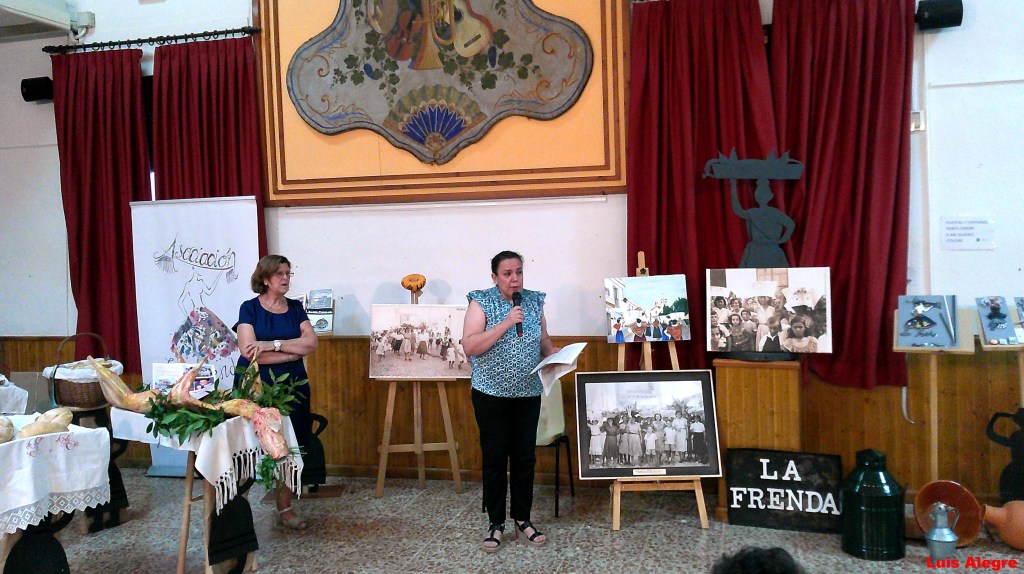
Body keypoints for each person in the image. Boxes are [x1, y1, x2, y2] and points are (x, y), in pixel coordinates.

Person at [463, 250, 559, 552]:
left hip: (527, 394)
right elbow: (470, 346)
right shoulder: (481, 302)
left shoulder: (533, 301)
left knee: (524, 459)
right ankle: (495, 523)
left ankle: (522, 519)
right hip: (490, 394)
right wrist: (505, 323)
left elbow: (542, 339)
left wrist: (552, 352)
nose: (514, 278)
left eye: (518, 272)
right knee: (495, 459)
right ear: (495, 277)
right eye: (507, 273)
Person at [234, 254, 318, 530]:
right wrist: (291, 353)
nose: (285, 278)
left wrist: (273, 345)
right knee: (250, 443)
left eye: (288, 273)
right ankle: (237, 502)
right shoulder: (249, 309)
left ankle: (285, 507)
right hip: (258, 385)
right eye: (280, 273)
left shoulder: (295, 308)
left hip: (294, 385)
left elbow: (311, 343)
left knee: (290, 444)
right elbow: (249, 352)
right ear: (265, 278)